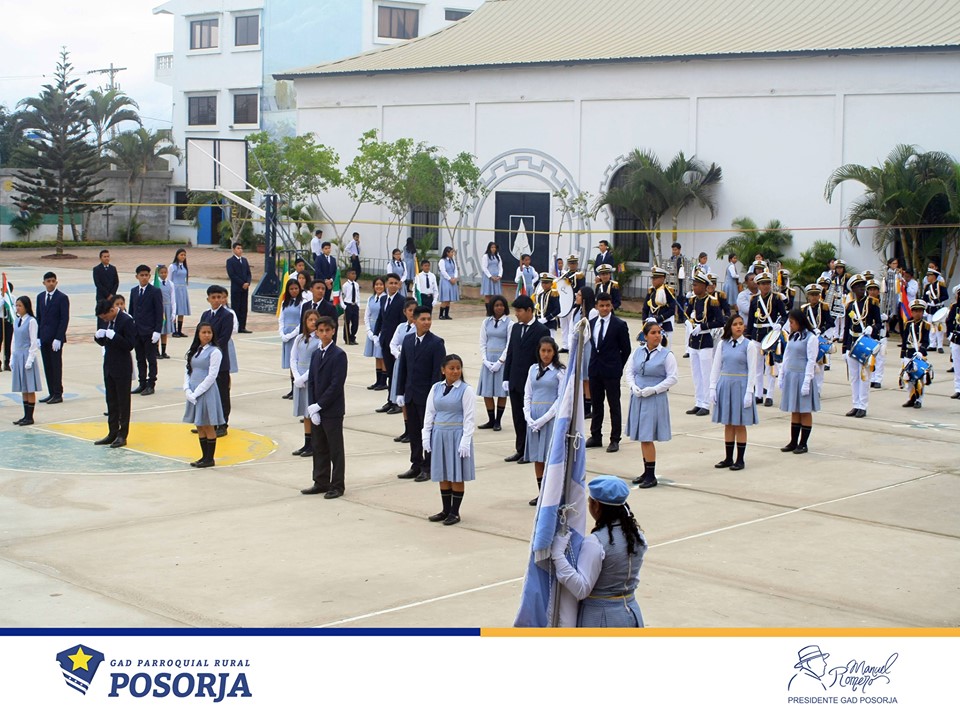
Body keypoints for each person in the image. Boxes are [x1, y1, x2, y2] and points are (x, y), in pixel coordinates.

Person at [550, 476, 647, 627]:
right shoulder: (637, 536)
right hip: (631, 612)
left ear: (596, 506)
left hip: (600, 618)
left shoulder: (595, 542)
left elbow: (581, 589)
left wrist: (558, 555)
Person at [422, 354, 476, 525]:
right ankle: (445, 510)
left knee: (456, 474)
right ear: (443, 370)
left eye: (458, 368)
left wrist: (466, 440)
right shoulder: (436, 388)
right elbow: (430, 412)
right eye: (451, 368)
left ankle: (455, 512)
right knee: (443, 472)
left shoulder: (466, 390)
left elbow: (469, 417)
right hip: (439, 434)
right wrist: (426, 434)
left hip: (456, 434)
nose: (455, 371)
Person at [395, 305, 446, 481]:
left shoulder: (436, 343)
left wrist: (434, 397)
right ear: (414, 320)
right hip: (410, 394)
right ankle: (416, 464)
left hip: (426, 396)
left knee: (428, 432)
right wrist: (400, 392)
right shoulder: (408, 340)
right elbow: (403, 368)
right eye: (423, 319)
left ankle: (428, 466)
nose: (426, 322)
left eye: (428, 319)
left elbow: (437, 374)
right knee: (414, 432)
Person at [625, 320, 677, 488]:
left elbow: (672, 378)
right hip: (639, 396)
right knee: (642, 437)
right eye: (653, 333)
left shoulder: (667, 355)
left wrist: (654, 389)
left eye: (659, 332)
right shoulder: (637, 352)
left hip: (654, 398)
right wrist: (633, 386)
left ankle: (651, 475)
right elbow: (629, 371)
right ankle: (646, 471)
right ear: (645, 336)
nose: (657, 336)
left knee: (647, 437)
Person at [302, 315, 348, 498]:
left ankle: (337, 485)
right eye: (321, 331)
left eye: (327, 330)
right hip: (317, 409)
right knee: (319, 446)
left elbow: (336, 385)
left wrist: (320, 405)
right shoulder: (316, 354)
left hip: (332, 410)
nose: (324, 334)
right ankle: (320, 481)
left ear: (333, 331)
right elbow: (312, 381)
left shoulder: (338, 355)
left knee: (335, 449)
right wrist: (312, 406)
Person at [502, 295, 549, 462]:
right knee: (517, 417)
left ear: (529, 310)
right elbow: (511, 353)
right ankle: (520, 449)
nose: (516, 314)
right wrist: (506, 377)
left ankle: (530, 451)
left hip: (531, 383)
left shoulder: (541, 330)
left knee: (530, 418)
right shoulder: (515, 328)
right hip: (515, 381)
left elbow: (543, 359)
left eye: (519, 311)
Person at [709, 314, 759, 470]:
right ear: (730, 327)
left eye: (741, 324)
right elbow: (716, 366)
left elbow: (753, 370)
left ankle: (740, 459)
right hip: (725, 383)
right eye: (735, 324)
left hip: (741, 385)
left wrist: (750, 391)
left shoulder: (749, 345)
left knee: (739, 424)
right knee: (728, 423)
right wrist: (712, 387)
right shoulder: (723, 344)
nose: (738, 327)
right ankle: (728, 458)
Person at [586, 291, 631, 452]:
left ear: (611, 306)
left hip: (611, 371)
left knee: (614, 405)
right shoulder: (591, 323)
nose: (604, 308)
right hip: (595, 370)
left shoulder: (619, 325)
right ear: (596, 307)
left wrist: (618, 366)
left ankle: (615, 438)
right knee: (596, 404)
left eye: (607, 305)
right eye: (601, 306)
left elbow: (626, 349)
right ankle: (596, 435)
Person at [524, 336, 565, 505]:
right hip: (534, 417)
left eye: (549, 351)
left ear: (554, 352)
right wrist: (528, 415)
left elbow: (560, 399)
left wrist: (544, 419)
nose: (546, 354)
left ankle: (553, 494)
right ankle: (541, 493)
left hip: (550, 418)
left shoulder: (559, 372)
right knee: (538, 457)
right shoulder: (532, 369)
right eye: (543, 351)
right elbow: (528, 394)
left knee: (550, 457)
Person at [93, 298, 136, 447]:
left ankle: (122, 435)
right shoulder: (108, 321)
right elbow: (106, 342)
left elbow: (130, 345)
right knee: (111, 401)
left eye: (105, 317)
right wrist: (98, 337)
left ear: (112, 310)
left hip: (122, 367)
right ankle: (112, 432)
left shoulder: (126, 320)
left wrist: (115, 336)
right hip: (109, 365)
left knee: (123, 403)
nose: (104, 320)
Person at [182, 322, 224, 468]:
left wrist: (197, 392)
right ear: (198, 334)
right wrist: (187, 389)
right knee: (199, 425)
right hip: (193, 390)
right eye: (204, 332)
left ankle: (209, 458)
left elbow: (212, 375)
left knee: (208, 425)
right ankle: (203, 456)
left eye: (209, 332)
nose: (207, 335)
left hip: (206, 391)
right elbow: (188, 370)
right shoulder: (195, 350)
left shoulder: (215, 352)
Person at [778, 309, 820, 453]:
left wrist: (807, 381)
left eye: (792, 322)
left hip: (803, 376)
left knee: (805, 410)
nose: (790, 325)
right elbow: (786, 356)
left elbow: (811, 360)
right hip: (792, 375)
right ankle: (793, 441)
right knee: (795, 410)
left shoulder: (811, 338)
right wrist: (782, 374)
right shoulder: (794, 336)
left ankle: (803, 443)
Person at [841, 274, 882, 418]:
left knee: (864, 376)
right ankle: (855, 404)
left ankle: (863, 406)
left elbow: (879, 323)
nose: (861, 288)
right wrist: (844, 348)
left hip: (865, 342)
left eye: (862, 286)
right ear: (852, 289)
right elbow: (847, 328)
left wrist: (872, 328)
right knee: (854, 377)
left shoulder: (872, 303)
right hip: (853, 342)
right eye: (857, 286)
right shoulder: (850, 306)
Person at [685, 271, 725, 416]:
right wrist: (689, 323)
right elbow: (687, 315)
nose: (694, 287)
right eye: (693, 285)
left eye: (696, 285)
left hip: (705, 340)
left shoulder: (712, 301)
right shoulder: (693, 301)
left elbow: (720, 321)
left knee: (706, 373)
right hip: (694, 341)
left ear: (703, 286)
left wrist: (703, 326)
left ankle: (706, 404)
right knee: (696, 374)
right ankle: (698, 401)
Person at [746, 271, 787, 406]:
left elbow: (784, 315)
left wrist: (780, 324)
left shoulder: (776, 299)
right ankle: (758, 394)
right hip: (756, 335)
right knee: (757, 367)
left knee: (770, 367)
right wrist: (749, 336)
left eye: (768, 283)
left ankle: (769, 395)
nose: (765, 286)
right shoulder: (754, 300)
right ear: (758, 285)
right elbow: (751, 319)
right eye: (763, 284)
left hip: (770, 335)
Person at [199, 285, 234, 436]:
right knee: (206, 392)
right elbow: (200, 335)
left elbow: (224, 338)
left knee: (222, 393)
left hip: (220, 360)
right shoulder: (205, 315)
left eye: (219, 297)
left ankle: (222, 423)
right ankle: (208, 423)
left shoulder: (227, 315)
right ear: (208, 299)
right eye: (213, 297)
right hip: (204, 361)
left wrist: (210, 350)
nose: (216, 300)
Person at [477, 295, 512, 431]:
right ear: (492, 307)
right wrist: (485, 359)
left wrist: (500, 361)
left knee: (501, 392)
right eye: (496, 305)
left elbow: (509, 344)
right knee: (487, 391)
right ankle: (491, 420)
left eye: (501, 305)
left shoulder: (509, 323)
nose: (499, 308)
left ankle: (498, 421)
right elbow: (482, 342)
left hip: (501, 361)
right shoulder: (486, 322)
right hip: (488, 360)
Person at [384, 299, 418, 437]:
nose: (412, 313)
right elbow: (393, 344)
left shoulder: (419, 328)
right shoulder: (401, 327)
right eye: (410, 310)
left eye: (415, 311)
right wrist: (399, 354)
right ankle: (407, 429)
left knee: (410, 399)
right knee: (402, 398)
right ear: (405, 312)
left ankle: (413, 430)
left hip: (412, 364)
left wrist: (404, 352)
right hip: (400, 363)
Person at [34, 271, 69, 405]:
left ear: (56, 282)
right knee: (47, 366)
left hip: (55, 339)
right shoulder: (40, 297)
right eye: (48, 281)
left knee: (56, 366)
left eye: (53, 281)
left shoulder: (62, 298)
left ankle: (58, 393)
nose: (51, 283)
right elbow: (39, 318)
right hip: (44, 337)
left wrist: (59, 337)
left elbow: (64, 319)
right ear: (44, 283)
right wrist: (38, 336)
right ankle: (51, 392)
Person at [291, 309, 321, 457]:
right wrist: (296, 377)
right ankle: (307, 443)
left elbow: (316, 363)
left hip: (311, 378)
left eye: (315, 320)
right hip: (300, 380)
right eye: (310, 320)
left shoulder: (319, 340)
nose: (313, 322)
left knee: (311, 412)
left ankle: (315, 444)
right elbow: (293, 359)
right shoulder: (299, 339)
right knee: (305, 413)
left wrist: (303, 378)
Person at [129, 264, 163, 396]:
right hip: (137, 331)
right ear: (136, 276)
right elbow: (131, 311)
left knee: (151, 359)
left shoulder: (155, 291)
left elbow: (159, 312)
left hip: (150, 331)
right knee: (140, 358)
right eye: (141, 275)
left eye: (146, 275)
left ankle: (151, 383)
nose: (144, 277)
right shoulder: (134, 291)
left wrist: (157, 330)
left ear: (149, 276)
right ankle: (142, 382)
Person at [374, 273, 406, 409]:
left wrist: (400, 343)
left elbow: (402, 323)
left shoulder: (402, 301)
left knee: (396, 372)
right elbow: (380, 318)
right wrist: (376, 335)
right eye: (391, 283)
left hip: (396, 342)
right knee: (389, 372)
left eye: (395, 283)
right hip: (385, 340)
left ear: (399, 285)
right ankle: (390, 400)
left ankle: (397, 401)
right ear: (386, 284)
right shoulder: (383, 299)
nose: (393, 285)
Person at [9, 296, 42, 426]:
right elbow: (14, 340)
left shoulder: (31, 321)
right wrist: (12, 357)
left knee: (29, 387)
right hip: (18, 356)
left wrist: (30, 359)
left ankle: (30, 417)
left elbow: (33, 342)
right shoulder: (17, 321)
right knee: (23, 388)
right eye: (16, 305)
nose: (17, 308)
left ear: (26, 307)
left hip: (26, 356)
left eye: (20, 306)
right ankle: (25, 415)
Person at [569, 285, 597, 417]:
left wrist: (581, 341)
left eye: (579, 295)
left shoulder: (592, 312)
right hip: (577, 346)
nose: (576, 296)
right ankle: (580, 404)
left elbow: (591, 332)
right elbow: (571, 330)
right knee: (578, 377)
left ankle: (587, 407)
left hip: (587, 347)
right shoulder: (575, 311)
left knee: (586, 378)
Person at [801, 283, 835, 391]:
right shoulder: (804, 309)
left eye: (816, 294)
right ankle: (808, 387)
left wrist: (822, 330)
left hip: (819, 337)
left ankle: (818, 389)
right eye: (812, 295)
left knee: (820, 365)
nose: (814, 297)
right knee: (808, 363)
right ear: (808, 296)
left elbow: (830, 322)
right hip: (808, 338)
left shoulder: (824, 307)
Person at [900, 299, 931, 408]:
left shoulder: (926, 325)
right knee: (908, 378)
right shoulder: (908, 324)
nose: (917, 313)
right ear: (912, 312)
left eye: (920, 311)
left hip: (919, 355)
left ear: (923, 312)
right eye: (915, 311)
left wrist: (921, 351)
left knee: (919, 378)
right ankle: (911, 398)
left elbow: (926, 341)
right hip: (909, 353)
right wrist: (902, 355)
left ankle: (919, 399)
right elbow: (904, 341)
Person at [278, 278, 304, 399]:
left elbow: (302, 321)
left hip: (295, 336)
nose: (294, 291)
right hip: (286, 336)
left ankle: (297, 389)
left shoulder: (302, 303)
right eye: (291, 289)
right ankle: (292, 389)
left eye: (296, 288)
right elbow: (281, 319)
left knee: (296, 362)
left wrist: (291, 335)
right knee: (290, 362)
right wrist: (282, 334)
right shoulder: (285, 303)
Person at [642, 266, 679, 345]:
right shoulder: (651, 291)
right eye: (653, 278)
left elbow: (672, 310)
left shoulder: (668, 291)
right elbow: (645, 308)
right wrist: (644, 322)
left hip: (664, 324)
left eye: (656, 278)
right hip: (651, 324)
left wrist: (658, 319)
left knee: (664, 347)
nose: (653, 280)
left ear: (662, 279)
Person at [364, 277, 387, 390]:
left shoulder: (386, 299)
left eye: (381, 284)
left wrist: (380, 332)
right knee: (377, 357)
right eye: (376, 284)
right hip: (372, 329)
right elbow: (367, 316)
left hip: (381, 330)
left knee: (382, 356)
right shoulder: (371, 299)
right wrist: (369, 331)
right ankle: (378, 381)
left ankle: (383, 382)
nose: (379, 286)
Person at [226, 242, 252, 333]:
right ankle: (235, 326)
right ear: (233, 250)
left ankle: (242, 327)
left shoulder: (244, 260)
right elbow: (232, 275)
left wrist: (248, 282)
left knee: (244, 307)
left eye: (241, 248)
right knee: (236, 307)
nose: (240, 250)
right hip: (236, 288)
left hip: (245, 288)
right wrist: (242, 283)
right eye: (238, 248)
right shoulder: (230, 261)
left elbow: (248, 273)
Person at [866, 280, 888, 388]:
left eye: (874, 289)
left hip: (881, 333)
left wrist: (887, 317)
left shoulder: (883, 302)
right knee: (870, 358)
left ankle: (878, 379)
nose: (872, 292)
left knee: (880, 358)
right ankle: (872, 378)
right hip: (871, 333)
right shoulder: (866, 303)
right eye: (870, 289)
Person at [923, 269, 948, 353]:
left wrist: (936, 301)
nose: (927, 277)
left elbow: (945, 296)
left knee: (939, 327)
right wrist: (925, 306)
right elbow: (924, 298)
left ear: (933, 276)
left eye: (929, 276)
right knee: (931, 327)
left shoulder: (940, 285)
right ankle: (932, 344)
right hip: (930, 309)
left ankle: (940, 346)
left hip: (938, 308)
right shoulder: (927, 286)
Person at [155, 264, 176, 360]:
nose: (163, 274)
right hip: (159, 308)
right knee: (158, 330)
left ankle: (163, 351)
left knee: (165, 331)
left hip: (167, 308)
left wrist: (173, 312)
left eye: (165, 272)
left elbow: (173, 299)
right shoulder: (155, 283)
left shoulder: (170, 284)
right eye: (161, 273)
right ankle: (156, 351)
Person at [534, 273, 562, 343]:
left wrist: (546, 318)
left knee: (549, 343)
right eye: (542, 283)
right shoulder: (540, 295)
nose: (544, 285)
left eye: (546, 283)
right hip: (540, 323)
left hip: (550, 323)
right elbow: (538, 309)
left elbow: (558, 310)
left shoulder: (553, 294)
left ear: (551, 284)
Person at [169, 248, 190, 337]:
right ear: (177, 255)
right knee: (175, 309)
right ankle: (174, 330)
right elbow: (169, 279)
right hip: (175, 289)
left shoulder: (184, 267)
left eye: (184, 255)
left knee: (181, 310)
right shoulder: (172, 266)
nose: (183, 257)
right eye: (181, 255)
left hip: (183, 289)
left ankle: (180, 330)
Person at [946, 285, 960, 399]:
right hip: (957, 339)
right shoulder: (955, 307)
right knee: (957, 365)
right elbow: (949, 321)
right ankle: (958, 389)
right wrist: (950, 334)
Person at [437, 246, 459, 320]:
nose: (452, 254)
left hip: (452, 280)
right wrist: (449, 279)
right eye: (451, 252)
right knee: (445, 298)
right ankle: (441, 314)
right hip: (446, 280)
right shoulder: (442, 261)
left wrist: (455, 277)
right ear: (447, 253)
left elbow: (455, 269)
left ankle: (446, 314)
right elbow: (443, 271)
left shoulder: (452, 260)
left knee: (449, 298)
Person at [340, 267, 361, 345]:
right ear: (348, 275)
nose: (354, 275)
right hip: (348, 305)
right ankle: (347, 339)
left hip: (354, 305)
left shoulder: (356, 284)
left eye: (355, 274)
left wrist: (358, 304)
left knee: (355, 323)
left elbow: (358, 295)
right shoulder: (345, 285)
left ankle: (352, 337)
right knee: (347, 323)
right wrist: (344, 306)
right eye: (352, 274)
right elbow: (342, 296)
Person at [0, 278, 15, 372]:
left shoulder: (12, 298)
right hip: (0, 320)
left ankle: (7, 362)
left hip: (8, 321)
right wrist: (3, 300)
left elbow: (14, 309)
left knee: (8, 342)